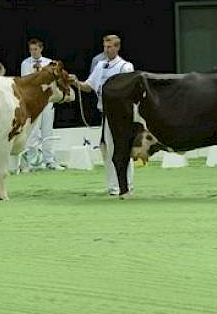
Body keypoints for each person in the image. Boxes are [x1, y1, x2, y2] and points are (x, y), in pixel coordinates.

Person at [72, 35, 135, 195]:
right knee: (107, 149)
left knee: (122, 149)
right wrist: (75, 82)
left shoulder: (125, 67)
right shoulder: (100, 65)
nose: (107, 50)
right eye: (105, 47)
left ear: (117, 47)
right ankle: (114, 186)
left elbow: (128, 92)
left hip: (121, 115)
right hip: (105, 113)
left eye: (110, 47)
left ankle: (126, 185)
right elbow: (89, 86)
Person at [20, 38, 63, 170]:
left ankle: (49, 160)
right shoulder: (26, 63)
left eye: (35, 49)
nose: (33, 52)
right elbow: (25, 82)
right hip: (34, 102)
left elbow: (55, 82)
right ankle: (34, 161)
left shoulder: (50, 63)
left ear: (41, 49)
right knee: (32, 132)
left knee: (47, 131)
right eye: (31, 50)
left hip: (48, 100)